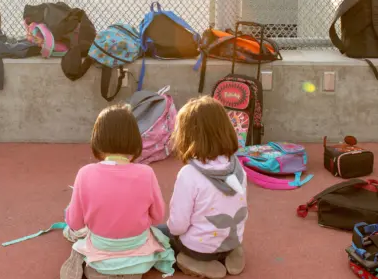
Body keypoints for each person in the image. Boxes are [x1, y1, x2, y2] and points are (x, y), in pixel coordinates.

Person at [60, 104, 175, 279]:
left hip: (100, 249)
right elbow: (158, 217)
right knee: (157, 234)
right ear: (135, 139)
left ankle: (88, 262)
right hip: (138, 255)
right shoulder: (146, 173)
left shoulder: (85, 173)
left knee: (72, 228)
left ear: (97, 139)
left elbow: (75, 222)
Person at [161, 96, 248, 278]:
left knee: (158, 234)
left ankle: (193, 261)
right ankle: (231, 254)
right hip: (231, 240)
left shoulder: (189, 174)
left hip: (199, 248)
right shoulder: (237, 167)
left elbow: (178, 226)